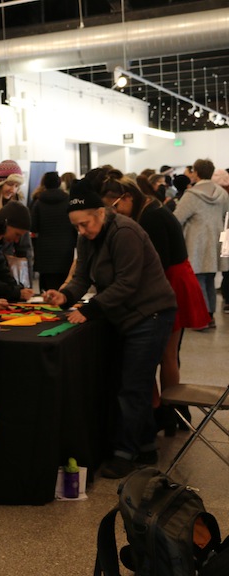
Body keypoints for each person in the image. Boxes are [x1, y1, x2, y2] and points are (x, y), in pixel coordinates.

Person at [43, 180, 177, 479]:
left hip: (150, 313)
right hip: (125, 316)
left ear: (101, 213)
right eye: (76, 227)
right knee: (130, 383)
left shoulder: (126, 232)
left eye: (85, 224)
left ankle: (124, 453)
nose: (81, 231)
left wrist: (89, 310)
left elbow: (127, 283)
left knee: (133, 385)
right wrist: (64, 296)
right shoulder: (86, 237)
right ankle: (145, 446)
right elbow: (81, 276)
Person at [99, 174, 208, 437]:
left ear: (128, 197)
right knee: (166, 354)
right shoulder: (151, 209)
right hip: (173, 280)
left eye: (115, 206)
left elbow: (158, 262)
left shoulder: (151, 217)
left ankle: (169, 411)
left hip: (171, 283)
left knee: (165, 355)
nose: (115, 213)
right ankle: (172, 412)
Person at [173, 158, 229, 330]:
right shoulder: (222, 193)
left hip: (195, 242)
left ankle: (202, 318)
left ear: (196, 173)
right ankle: (210, 316)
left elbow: (177, 219)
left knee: (198, 281)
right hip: (216, 240)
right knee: (210, 279)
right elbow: (226, 217)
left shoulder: (191, 195)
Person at [31, 171, 77, 291]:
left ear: (44, 184)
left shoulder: (38, 202)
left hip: (45, 251)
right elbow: (75, 225)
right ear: (59, 183)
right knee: (65, 285)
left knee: (47, 288)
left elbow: (33, 227)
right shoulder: (69, 201)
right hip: (66, 249)